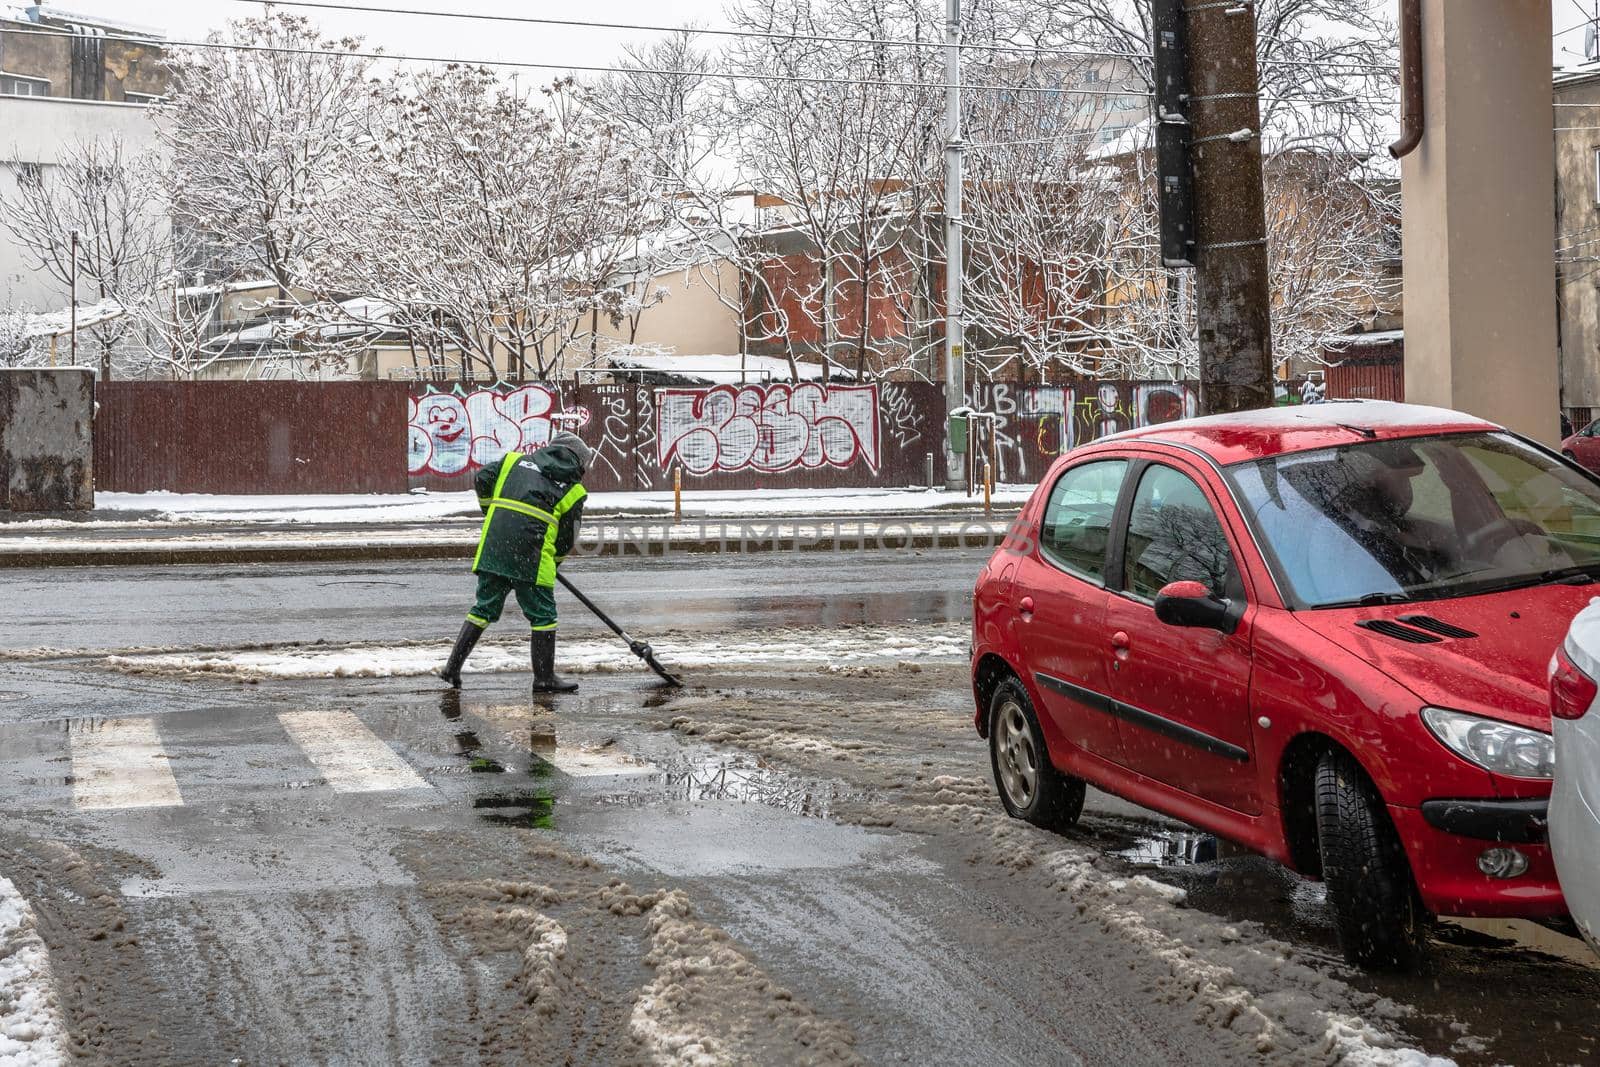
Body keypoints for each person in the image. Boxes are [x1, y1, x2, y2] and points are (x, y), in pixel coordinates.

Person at [438, 430, 593, 692]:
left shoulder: (513, 462)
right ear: (578, 462)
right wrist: (553, 563)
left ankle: (452, 668)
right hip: (531, 558)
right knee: (543, 616)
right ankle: (544, 679)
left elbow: (483, 477)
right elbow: (567, 537)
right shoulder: (574, 490)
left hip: (495, 549)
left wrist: (491, 511)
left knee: (483, 609)